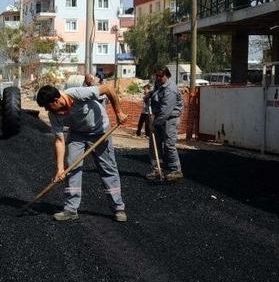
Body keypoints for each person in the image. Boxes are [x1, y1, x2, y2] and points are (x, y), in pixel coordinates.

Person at [36, 84, 128, 222]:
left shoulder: (78, 94)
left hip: (100, 131)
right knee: (71, 168)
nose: (46, 109)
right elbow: (59, 140)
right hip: (77, 134)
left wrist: (119, 112)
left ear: (56, 100)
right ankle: (70, 209)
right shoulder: (53, 114)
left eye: (47, 106)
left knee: (108, 169)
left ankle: (118, 208)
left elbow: (109, 88)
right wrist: (60, 169)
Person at [148, 66, 184, 181]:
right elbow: (156, 94)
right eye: (156, 76)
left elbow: (165, 111)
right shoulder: (159, 84)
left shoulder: (171, 90)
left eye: (160, 76)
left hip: (170, 118)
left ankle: (176, 170)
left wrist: (154, 124)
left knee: (169, 144)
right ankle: (157, 169)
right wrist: (149, 94)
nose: (158, 78)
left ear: (167, 75)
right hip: (159, 117)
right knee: (154, 144)